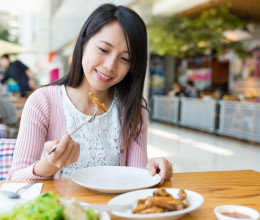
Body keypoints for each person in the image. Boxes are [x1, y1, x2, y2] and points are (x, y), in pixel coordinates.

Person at [7, 4, 172, 183]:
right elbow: (14, 180)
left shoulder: (134, 107)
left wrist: (152, 169)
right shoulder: (42, 101)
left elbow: (135, 178)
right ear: (83, 42)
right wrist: (50, 164)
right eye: (103, 49)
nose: (110, 65)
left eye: (125, 58)